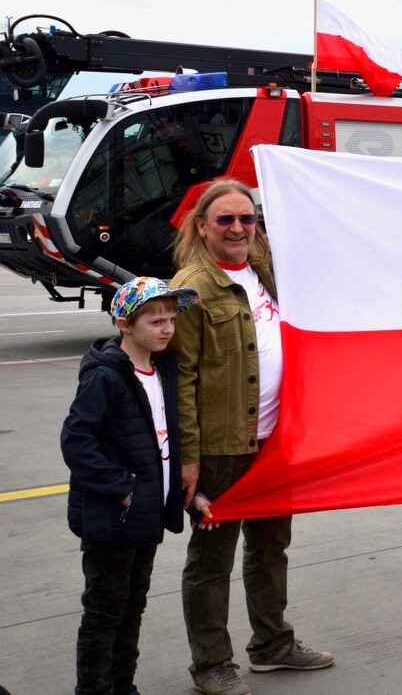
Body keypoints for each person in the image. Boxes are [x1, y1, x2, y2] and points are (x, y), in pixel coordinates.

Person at [171, 179, 333, 695]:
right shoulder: (191, 288)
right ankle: (211, 665)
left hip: (274, 441)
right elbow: (182, 379)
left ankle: (271, 644)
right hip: (222, 447)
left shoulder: (265, 273)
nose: (238, 228)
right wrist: (189, 458)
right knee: (211, 562)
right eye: (225, 219)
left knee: (270, 547)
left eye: (248, 218)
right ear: (202, 227)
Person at [61, 276, 200, 695]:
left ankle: (123, 686)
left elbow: (162, 443)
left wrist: (184, 493)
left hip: (144, 514)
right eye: (156, 321)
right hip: (112, 517)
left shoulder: (162, 371)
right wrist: (123, 489)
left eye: (172, 319)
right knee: (104, 611)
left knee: (132, 606)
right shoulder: (106, 376)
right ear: (124, 324)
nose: (168, 329)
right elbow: (77, 440)